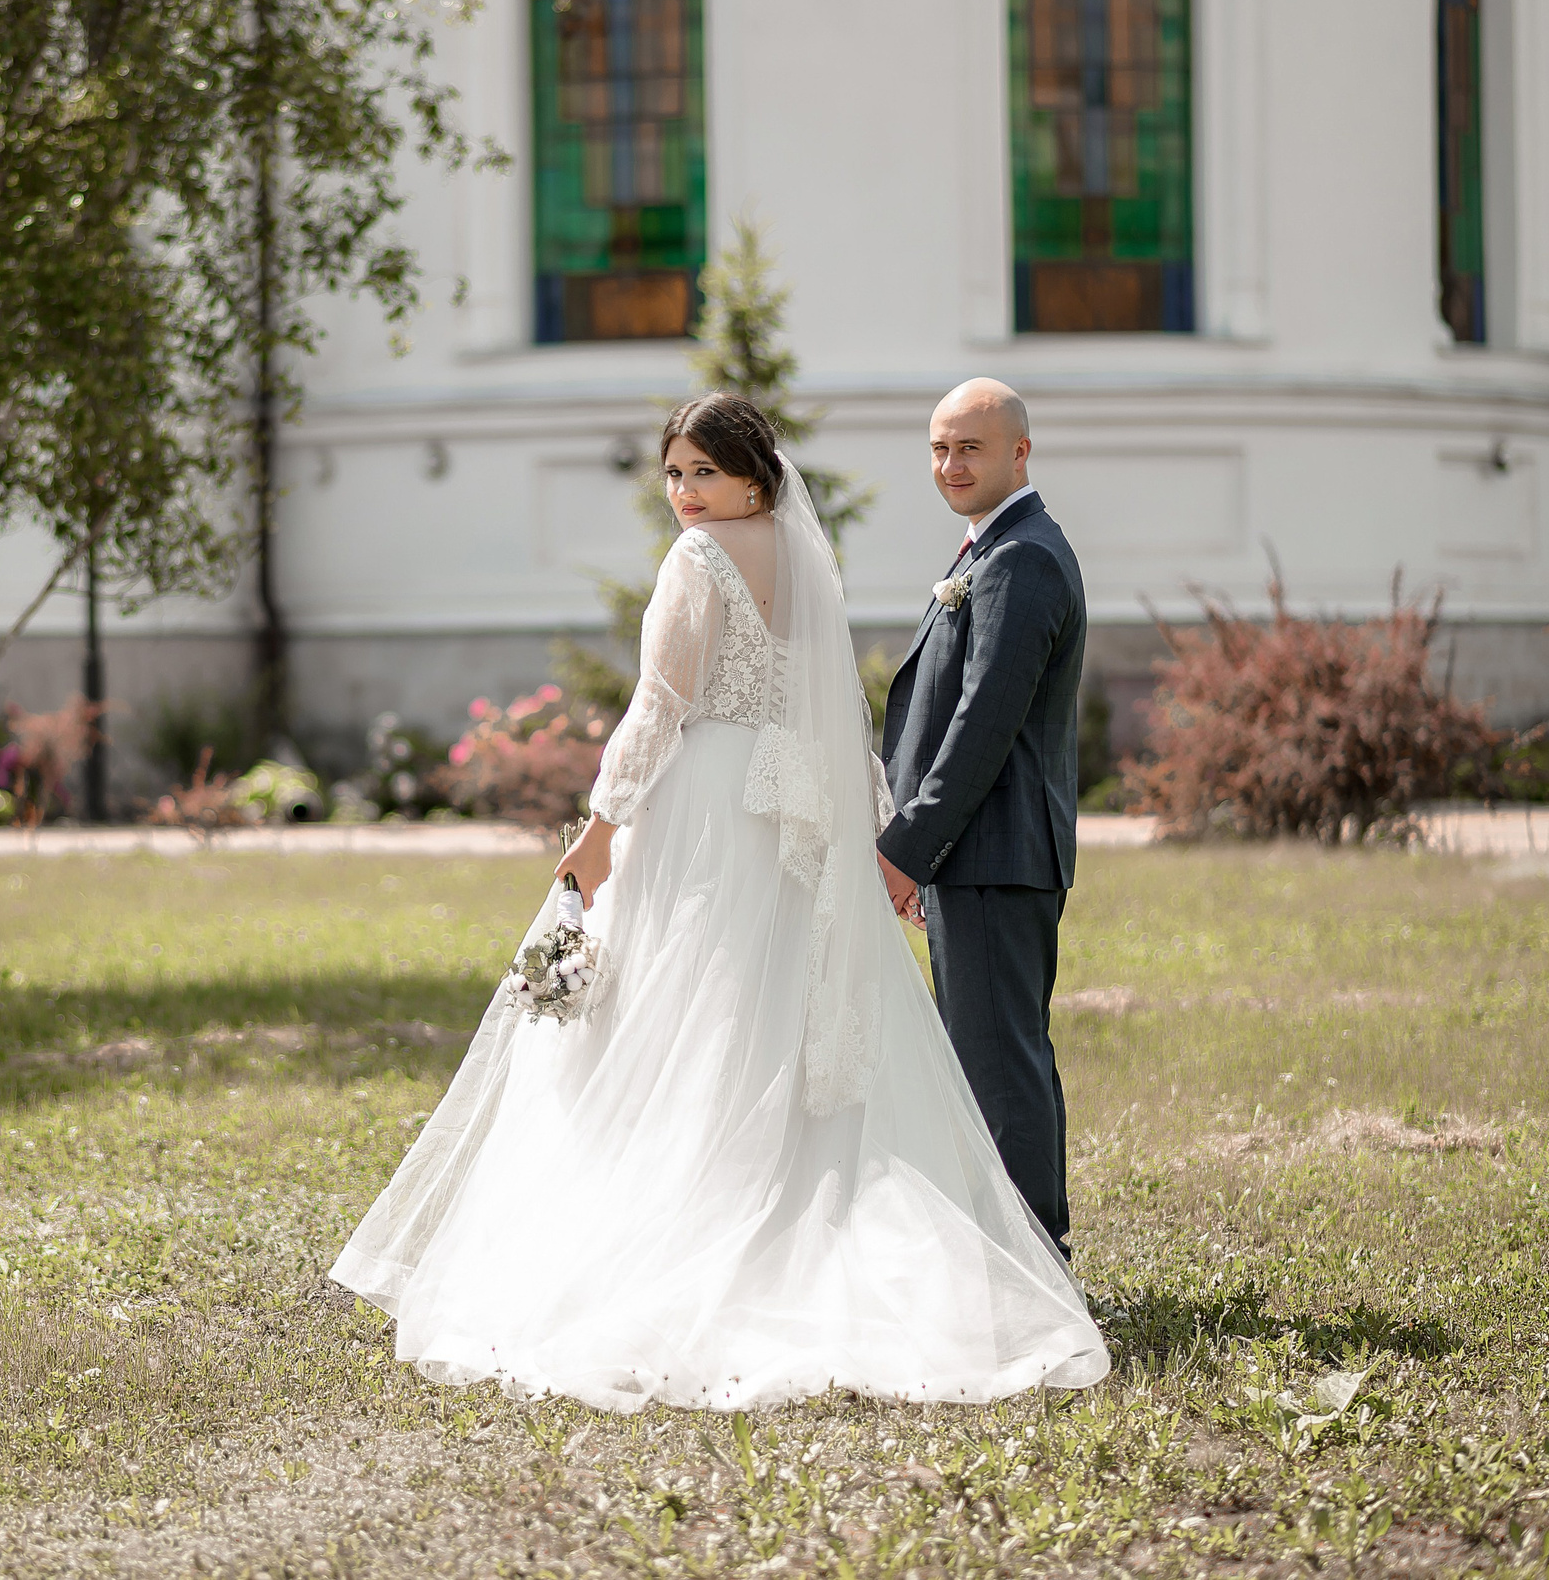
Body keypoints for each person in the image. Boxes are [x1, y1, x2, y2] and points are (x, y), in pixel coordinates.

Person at [330, 391, 1106, 1413]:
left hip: (705, 806)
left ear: (754, 475)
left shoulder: (697, 561)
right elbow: (833, 713)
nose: (684, 493)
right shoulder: (802, 564)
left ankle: (691, 1222)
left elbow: (663, 702)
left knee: (684, 1010)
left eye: (703, 472)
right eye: (672, 475)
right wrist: (868, 829)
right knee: (770, 1009)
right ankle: (813, 1220)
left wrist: (603, 825)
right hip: (787, 812)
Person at [873, 378, 1086, 1263]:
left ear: (1019, 454)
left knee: (1001, 1069)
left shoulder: (1022, 558)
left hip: (995, 851)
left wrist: (909, 847)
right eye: (937, 448)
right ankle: (1013, 1252)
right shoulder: (984, 552)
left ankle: (1037, 1263)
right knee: (992, 1058)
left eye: (969, 447)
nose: (949, 464)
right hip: (979, 853)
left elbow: (983, 726)